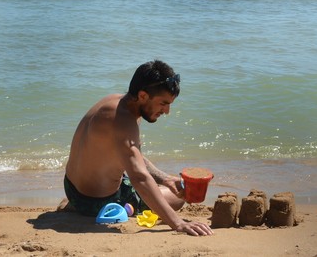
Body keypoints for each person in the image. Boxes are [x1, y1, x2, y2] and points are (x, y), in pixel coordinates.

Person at [63, 60, 212, 236]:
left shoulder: (115, 102)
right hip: (96, 201)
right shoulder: (124, 122)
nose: (167, 111)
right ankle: (125, 208)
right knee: (177, 199)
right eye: (163, 103)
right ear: (142, 95)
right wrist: (178, 223)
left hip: (72, 187)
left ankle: (75, 203)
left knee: (170, 186)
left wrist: (165, 179)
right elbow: (139, 177)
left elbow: (133, 155)